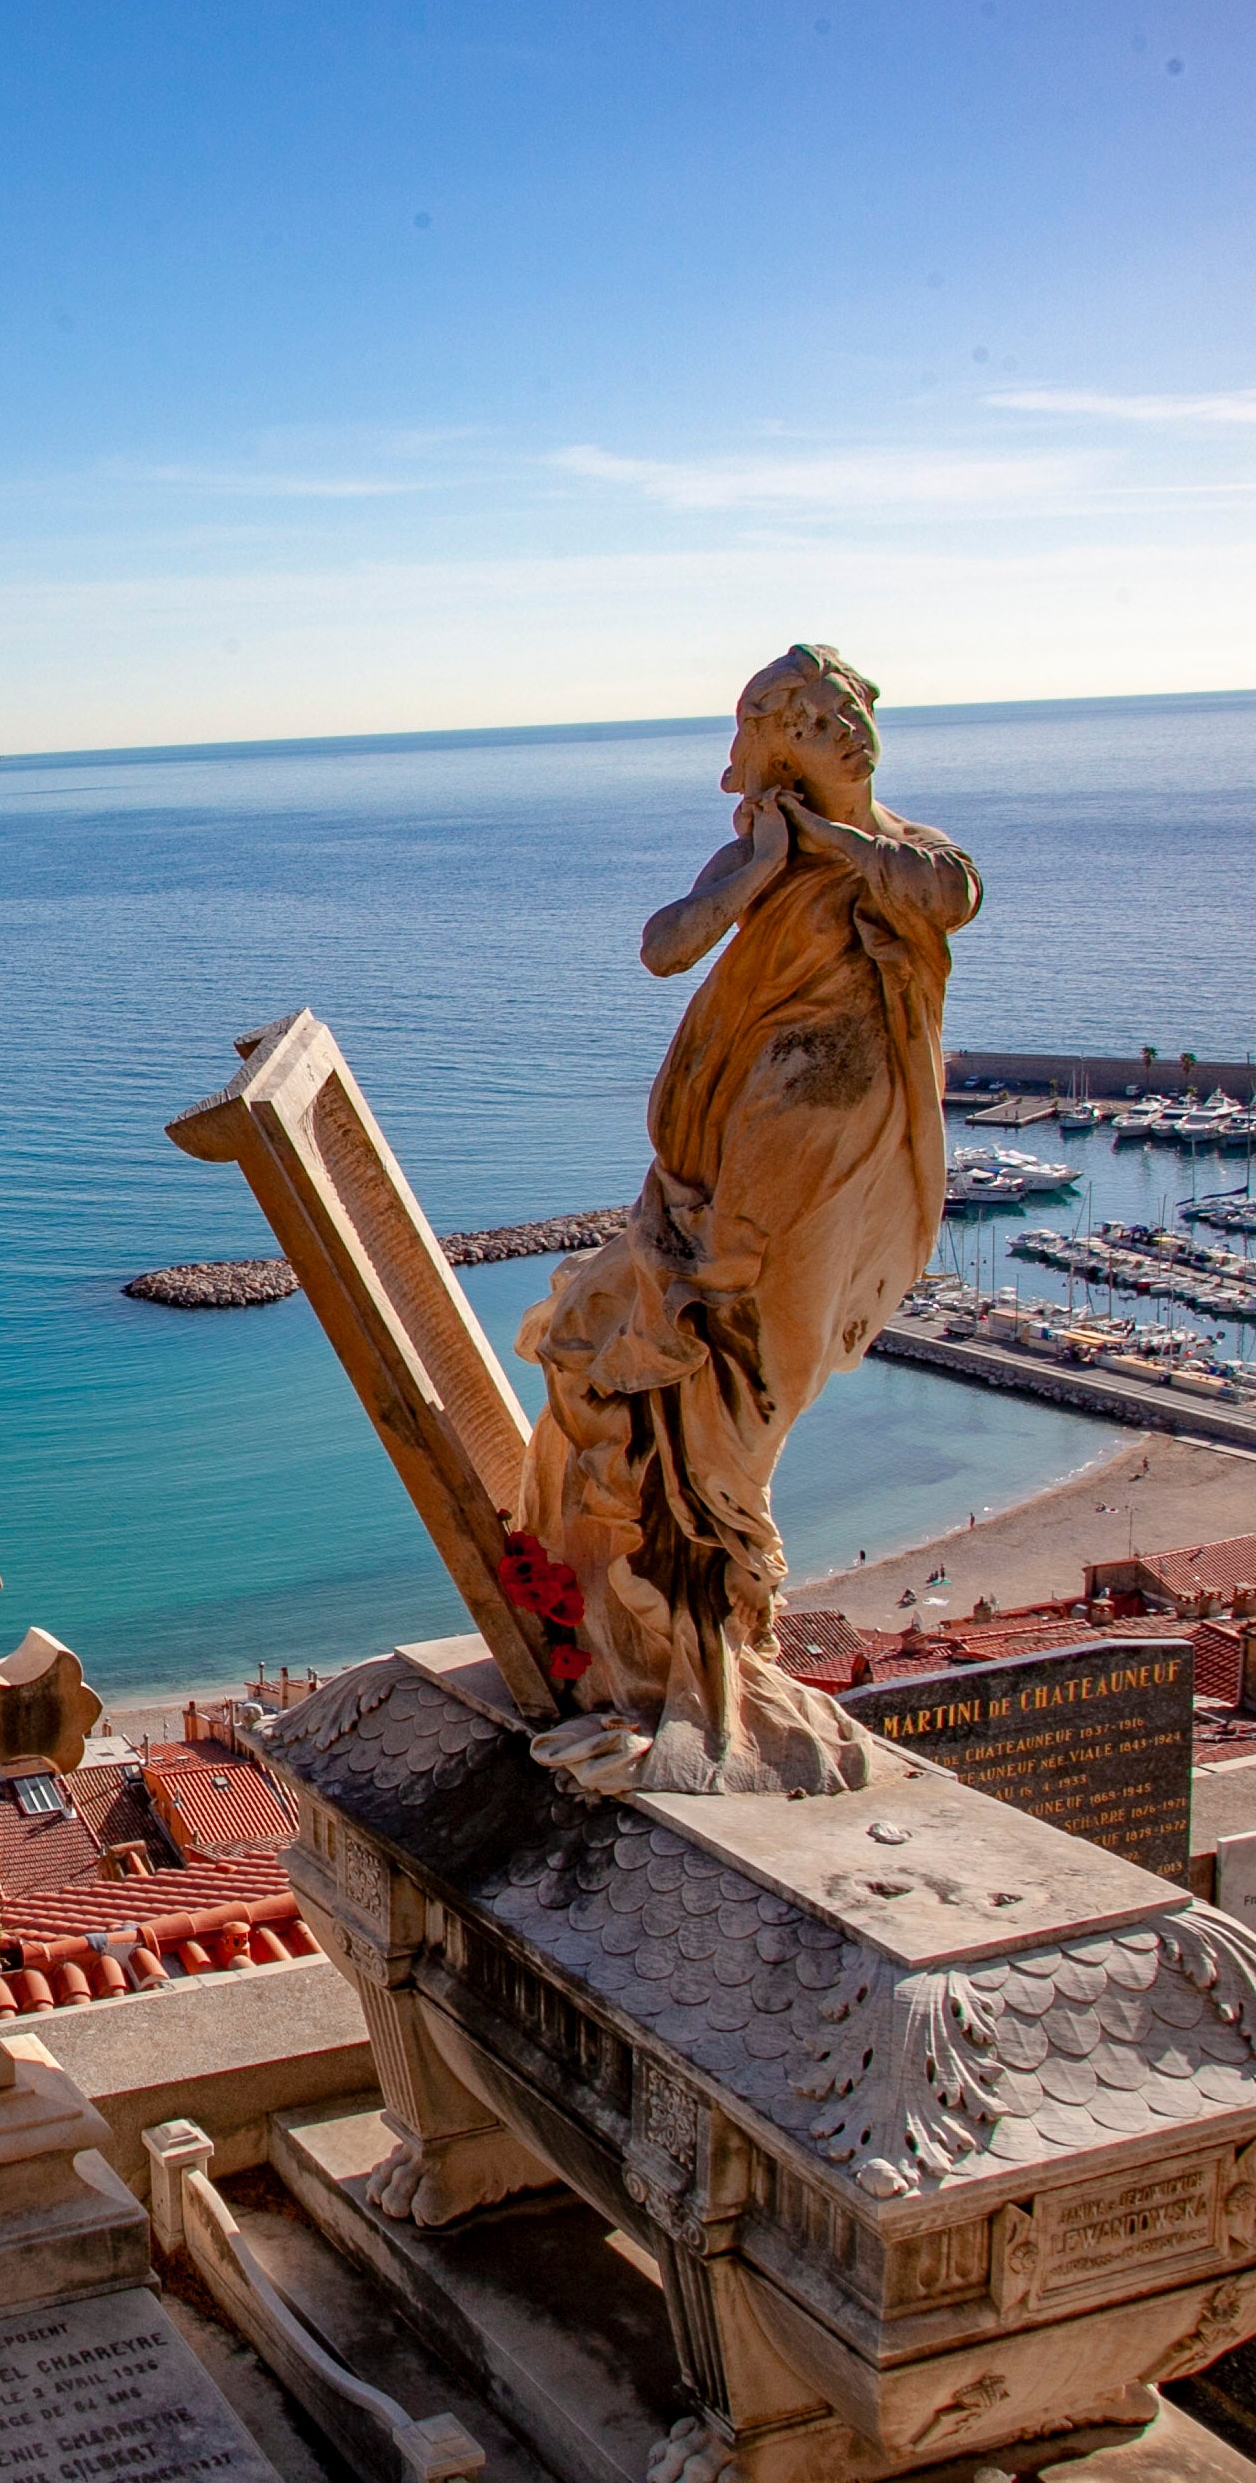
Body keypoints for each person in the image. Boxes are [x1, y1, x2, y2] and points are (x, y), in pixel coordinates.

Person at [516, 646, 983, 1795]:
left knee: (759, 1370)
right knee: (686, 1341)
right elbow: (664, 945)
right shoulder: (763, 850)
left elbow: (948, 897)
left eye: (852, 718)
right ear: (778, 742)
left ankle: (711, 1607)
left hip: (842, 1139)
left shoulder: (910, 854)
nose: (850, 736)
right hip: (746, 1124)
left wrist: (835, 841)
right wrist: (755, 871)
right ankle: (678, 1619)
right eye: (822, 722)